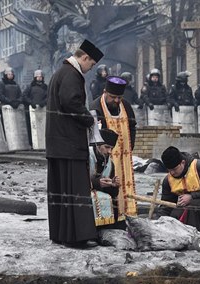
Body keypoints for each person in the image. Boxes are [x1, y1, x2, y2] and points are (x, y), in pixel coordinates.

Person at [46, 39, 104, 248]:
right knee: (75, 190)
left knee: (61, 190)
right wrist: (89, 119)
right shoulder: (72, 74)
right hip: (69, 145)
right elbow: (71, 102)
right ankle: (76, 236)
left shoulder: (61, 72)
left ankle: (62, 234)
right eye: (92, 64)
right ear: (84, 57)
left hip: (58, 144)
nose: (91, 69)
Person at [155, 146, 200, 245]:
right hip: (188, 208)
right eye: (169, 170)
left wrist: (192, 196)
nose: (172, 173)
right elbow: (167, 206)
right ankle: (182, 239)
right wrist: (157, 223)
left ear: (183, 163)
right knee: (175, 214)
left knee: (194, 206)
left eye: (174, 169)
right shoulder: (168, 181)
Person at [90, 76, 138, 221]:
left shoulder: (126, 106)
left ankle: (128, 215)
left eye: (119, 97)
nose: (117, 101)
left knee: (126, 184)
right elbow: (93, 135)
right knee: (111, 183)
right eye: (113, 97)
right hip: (106, 156)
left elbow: (132, 126)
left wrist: (130, 146)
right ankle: (114, 217)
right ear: (105, 92)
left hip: (125, 155)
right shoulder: (95, 107)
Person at [89, 128, 122, 229]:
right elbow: (77, 181)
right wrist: (97, 183)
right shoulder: (86, 156)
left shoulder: (110, 164)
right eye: (107, 147)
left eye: (111, 148)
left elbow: (113, 193)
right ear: (98, 145)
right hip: (84, 194)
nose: (110, 151)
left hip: (101, 195)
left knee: (114, 201)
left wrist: (114, 185)